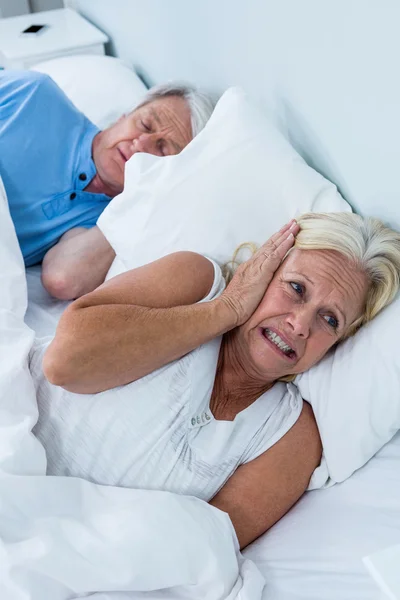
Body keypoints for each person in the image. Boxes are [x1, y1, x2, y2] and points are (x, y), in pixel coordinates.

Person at [31, 213, 400, 549]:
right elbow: (65, 364)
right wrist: (227, 309)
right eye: (296, 288)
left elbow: (200, 551)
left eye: (330, 320)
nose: (301, 325)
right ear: (264, 269)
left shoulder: (290, 435)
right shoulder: (196, 282)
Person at [0, 70, 215, 299]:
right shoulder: (34, 95)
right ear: (124, 116)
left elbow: (62, 279)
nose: (141, 143)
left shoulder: (108, 219)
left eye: (162, 148)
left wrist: (146, 196)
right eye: (145, 124)